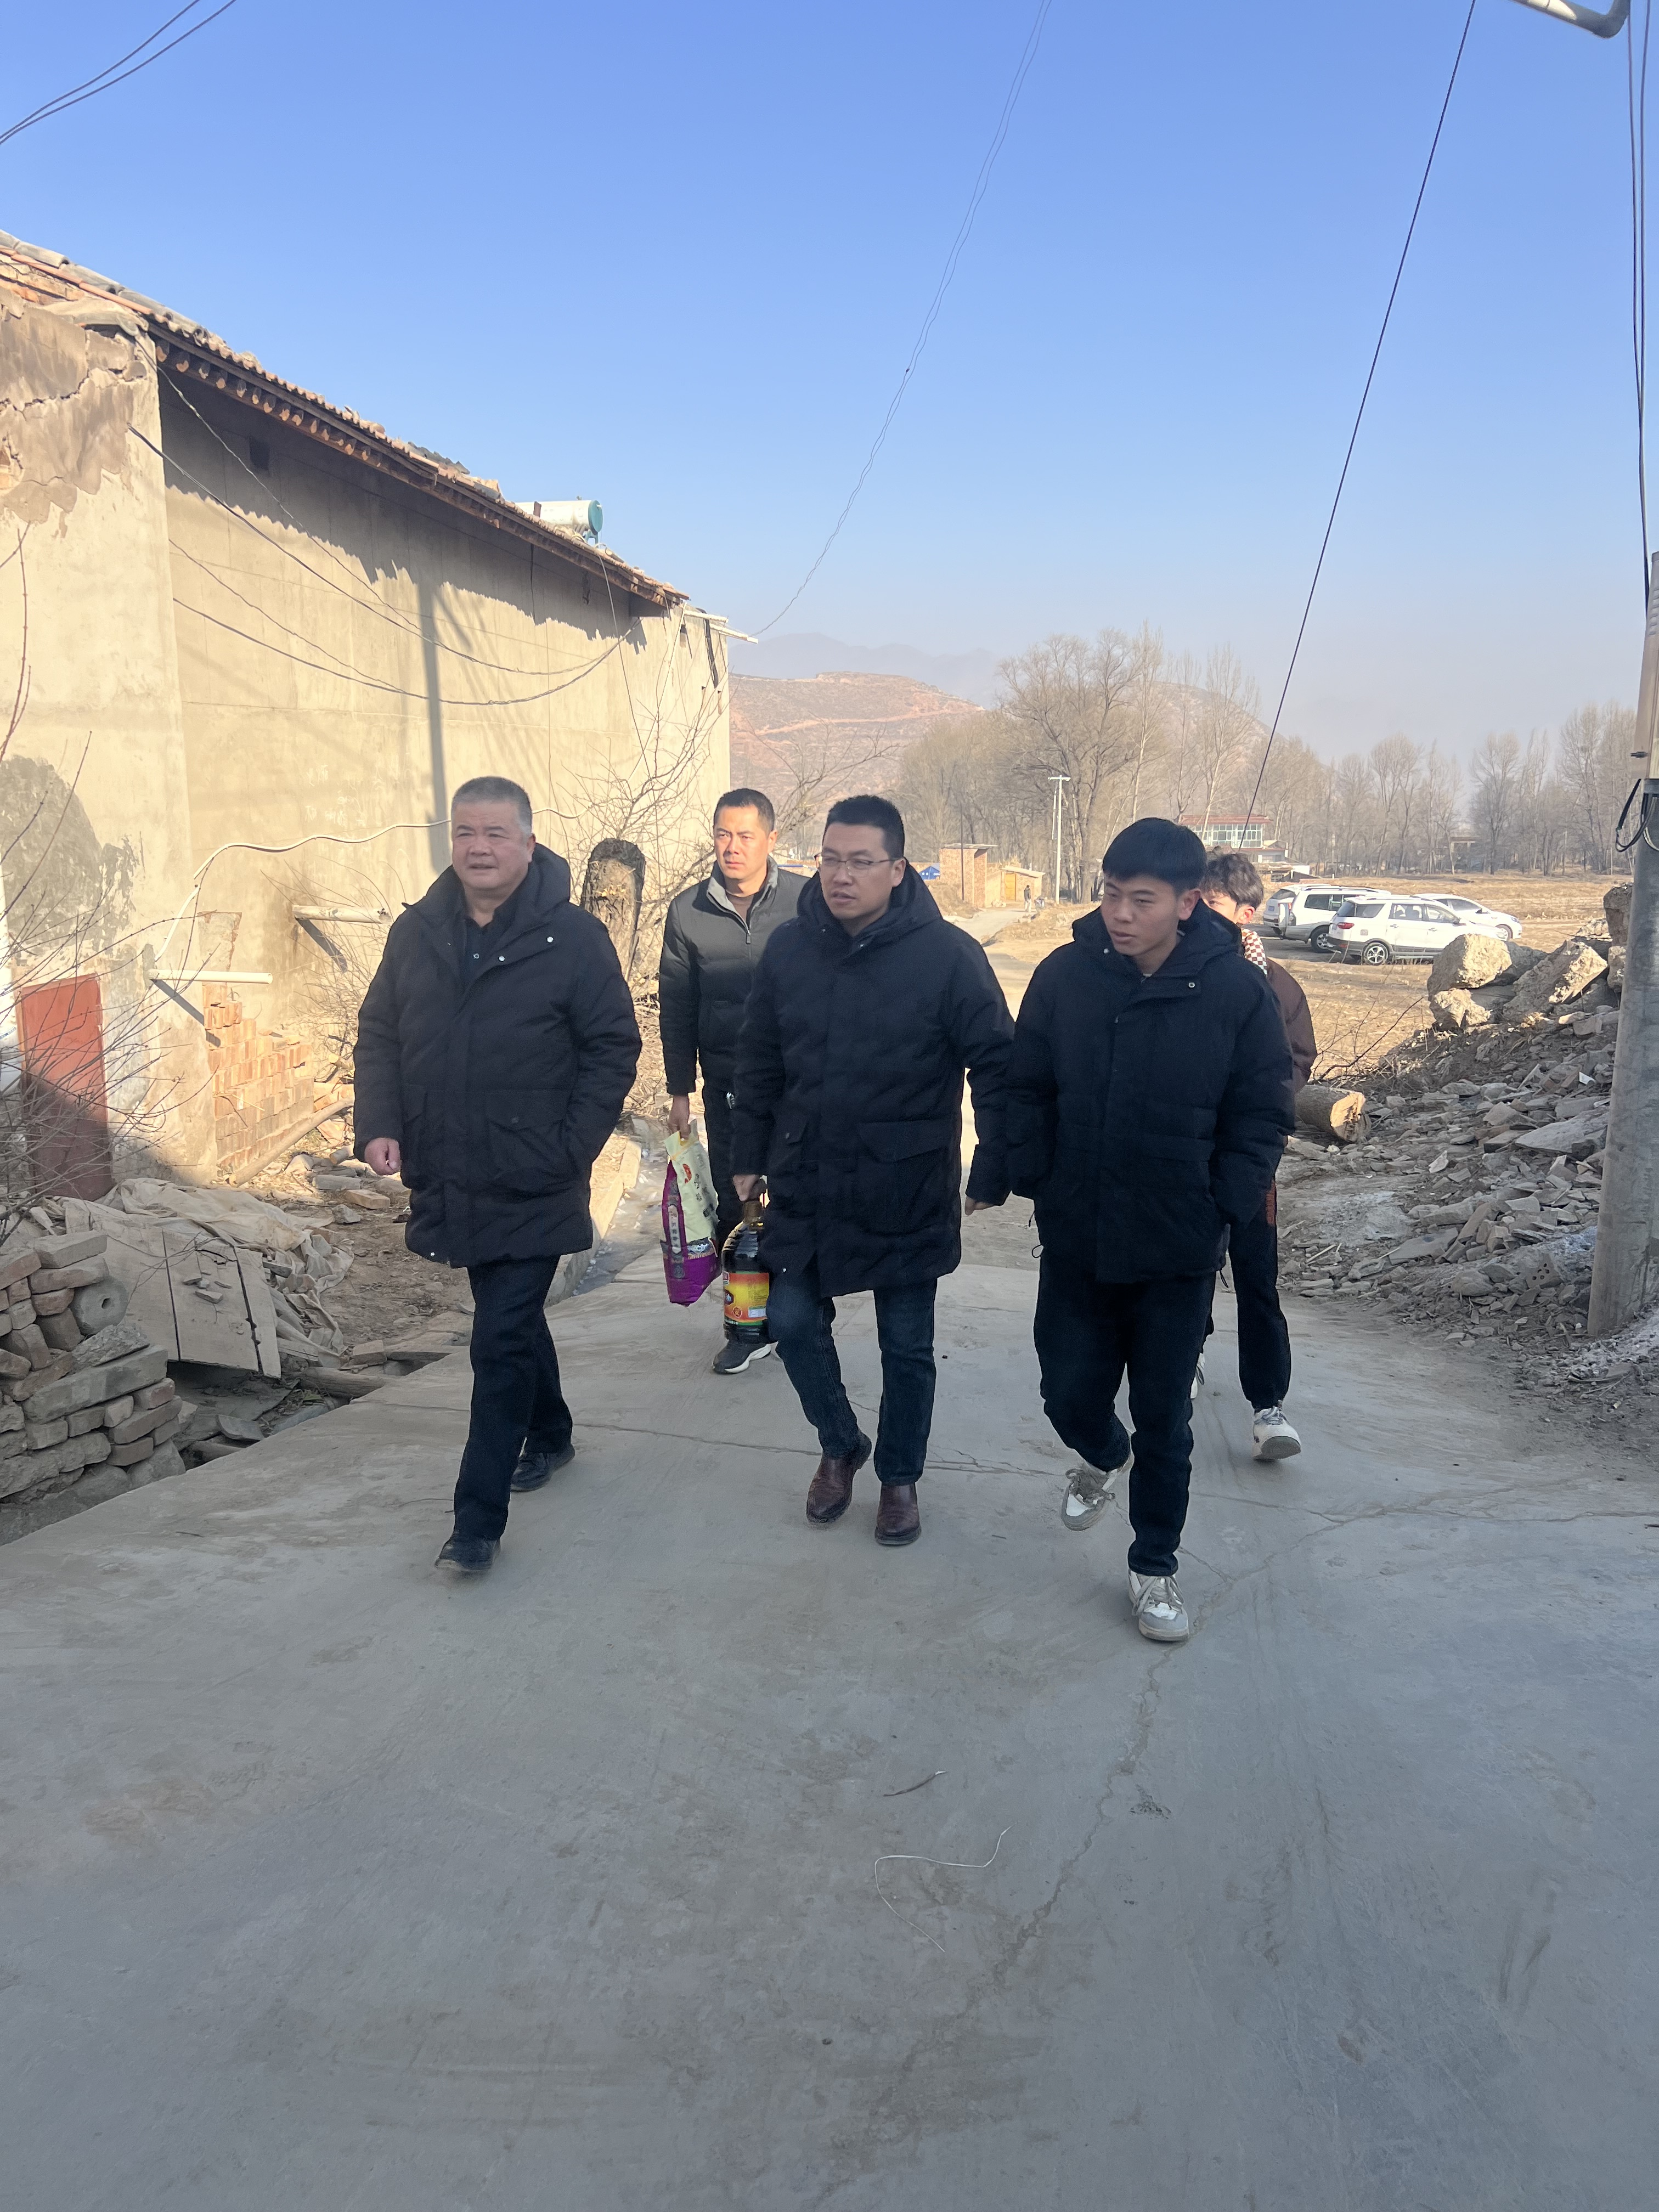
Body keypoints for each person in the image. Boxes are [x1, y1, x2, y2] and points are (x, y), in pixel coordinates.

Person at [1005, 818, 1293, 1641]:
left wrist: (1223, 1203)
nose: (1121, 915)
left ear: (1188, 903)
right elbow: (1027, 1085)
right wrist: (1032, 1173)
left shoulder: (1234, 992)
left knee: (1166, 1418)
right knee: (1067, 1393)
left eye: (1142, 900)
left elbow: (1262, 1111)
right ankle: (1102, 1453)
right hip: (1078, 1236)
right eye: (1111, 894)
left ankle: (1155, 1566)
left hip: (1177, 1248)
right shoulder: (1066, 976)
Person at [355, 776, 641, 1575]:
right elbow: (379, 1032)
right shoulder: (417, 932)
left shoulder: (573, 938)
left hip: (536, 1172)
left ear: (529, 843)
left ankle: (475, 1522)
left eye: (495, 834)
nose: (478, 848)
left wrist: (571, 1145)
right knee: (507, 1321)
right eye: (465, 833)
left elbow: (614, 1045)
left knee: (498, 1338)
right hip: (450, 1167)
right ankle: (550, 1431)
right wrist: (379, 1123)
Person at [729, 794, 1013, 1548]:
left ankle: (899, 1477)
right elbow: (757, 1060)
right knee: (790, 1322)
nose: (842, 875)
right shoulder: (790, 950)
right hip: (809, 1177)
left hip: (904, 1183)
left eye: (861, 861)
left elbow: (998, 1065)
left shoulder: (947, 956)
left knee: (907, 1348)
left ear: (897, 869)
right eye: (831, 859)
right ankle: (840, 1442)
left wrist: (993, 1164)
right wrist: (748, 1156)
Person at [658, 786, 804, 1373]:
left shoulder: (806, 900)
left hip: (799, 1084)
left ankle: (798, 1315)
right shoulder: (688, 911)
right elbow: (677, 1005)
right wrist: (679, 1089)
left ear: (771, 839)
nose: (733, 847)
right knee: (736, 1203)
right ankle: (747, 1327)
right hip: (728, 1085)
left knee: (796, 1200)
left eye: (746, 835)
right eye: (723, 834)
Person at [1199, 850, 1317, 1461]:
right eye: (1196, 901)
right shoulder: (1173, 974)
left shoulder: (1279, 988)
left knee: (1256, 1278)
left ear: (1248, 914)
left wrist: (1256, 1112)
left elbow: (1296, 1063)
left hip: (1250, 1158)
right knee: (1189, 1266)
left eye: (1214, 904)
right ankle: (1185, 1357)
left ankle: (1268, 1405)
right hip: (1186, 1152)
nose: (1200, 913)